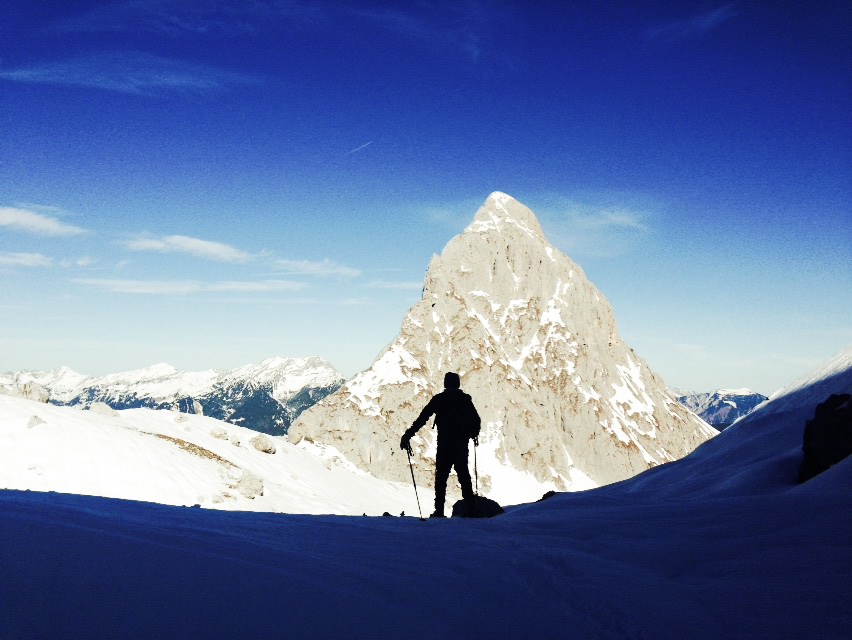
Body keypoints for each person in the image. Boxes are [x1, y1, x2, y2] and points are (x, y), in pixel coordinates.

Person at [400, 372, 480, 518]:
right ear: (458, 384)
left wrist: (408, 435)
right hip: (461, 445)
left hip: (444, 445)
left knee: (441, 478)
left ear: (445, 383)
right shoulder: (465, 400)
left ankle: (439, 511)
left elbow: (422, 418)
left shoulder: (440, 399)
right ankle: (471, 508)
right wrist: (471, 434)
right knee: (464, 475)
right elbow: (476, 420)